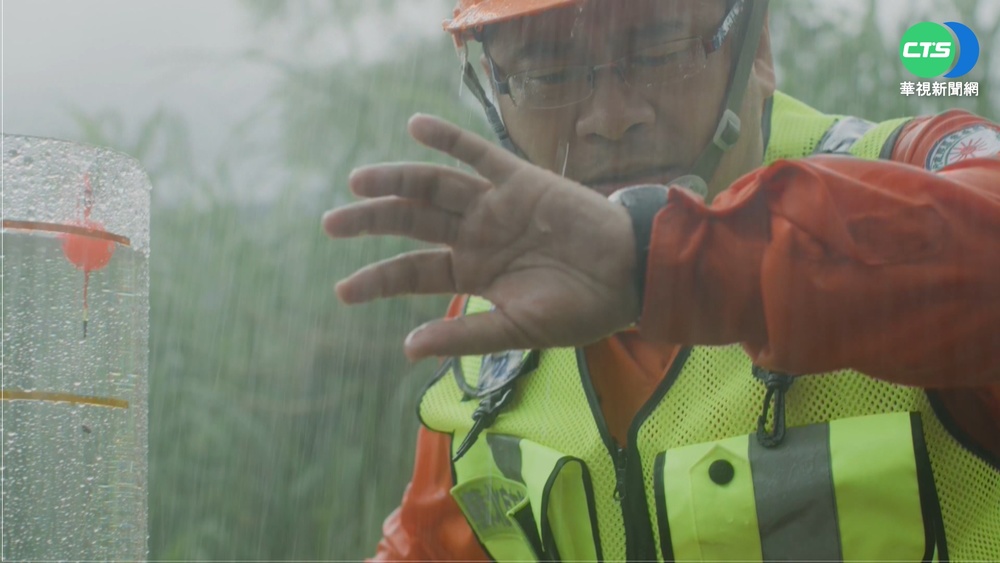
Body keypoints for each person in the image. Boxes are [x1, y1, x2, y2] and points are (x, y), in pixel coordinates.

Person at [322, 0, 1000, 560]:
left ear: (757, 47)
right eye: (547, 71)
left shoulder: (916, 175)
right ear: (492, 90)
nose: (611, 118)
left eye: (659, 50)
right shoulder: (495, 324)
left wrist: (664, 260)